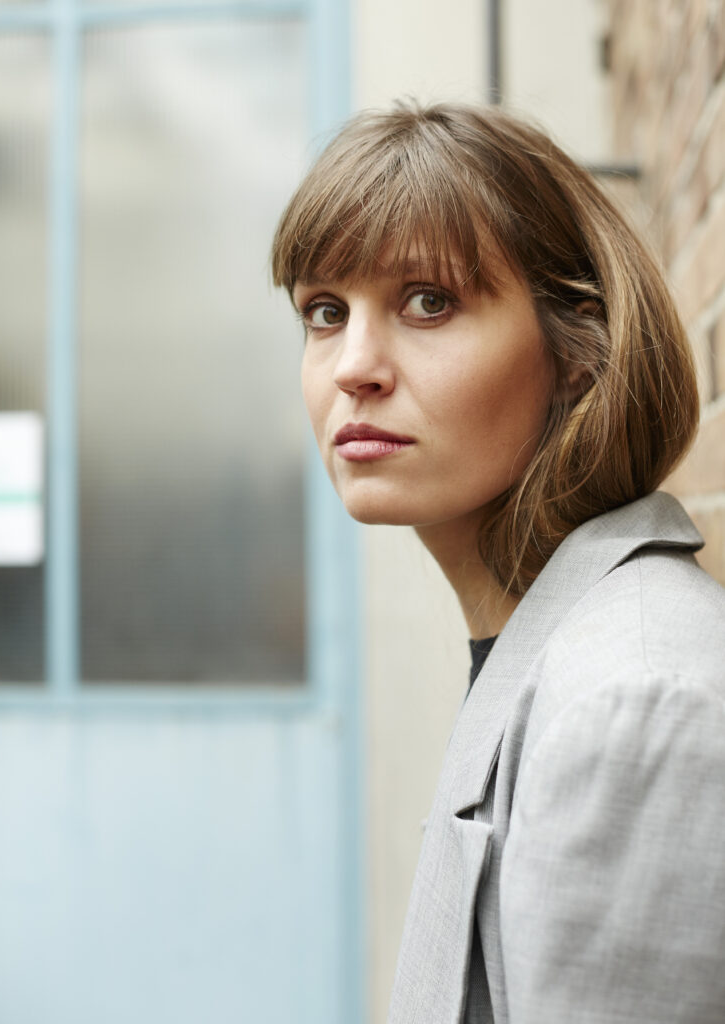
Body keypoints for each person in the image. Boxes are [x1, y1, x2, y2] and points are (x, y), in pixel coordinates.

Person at [271, 102, 725, 1024]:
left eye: (427, 302)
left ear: (578, 352)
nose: (354, 365)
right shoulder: (545, 643)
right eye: (324, 312)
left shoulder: (632, 705)